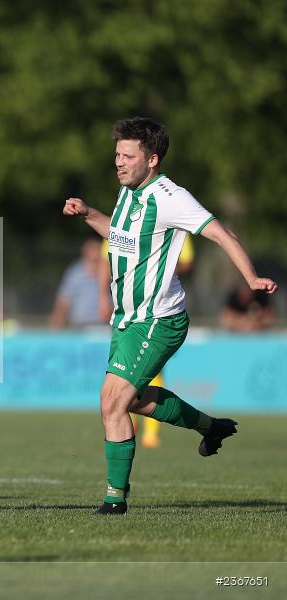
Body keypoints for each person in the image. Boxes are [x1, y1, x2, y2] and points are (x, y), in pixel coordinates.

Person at [62, 116, 277, 515]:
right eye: (117, 155)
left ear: (152, 159)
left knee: (111, 402)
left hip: (158, 319)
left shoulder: (171, 197)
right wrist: (89, 213)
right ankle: (211, 427)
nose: (119, 162)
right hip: (127, 319)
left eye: (128, 156)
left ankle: (114, 501)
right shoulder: (128, 191)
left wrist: (250, 278)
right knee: (133, 401)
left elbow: (220, 233)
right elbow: (122, 238)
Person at [99, 234, 196, 449]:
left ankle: (151, 433)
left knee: (152, 374)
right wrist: (102, 296)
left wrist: (157, 268)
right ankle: (130, 423)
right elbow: (106, 261)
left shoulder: (172, 224)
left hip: (156, 314)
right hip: (124, 311)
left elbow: (187, 262)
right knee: (121, 376)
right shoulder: (120, 222)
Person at [48, 238, 105, 329]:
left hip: (104, 326)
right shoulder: (75, 274)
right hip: (79, 327)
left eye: (99, 261)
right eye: (93, 261)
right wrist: (58, 318)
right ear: (84, 258)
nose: (96, 265)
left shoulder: (109, 275)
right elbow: (64, 299)